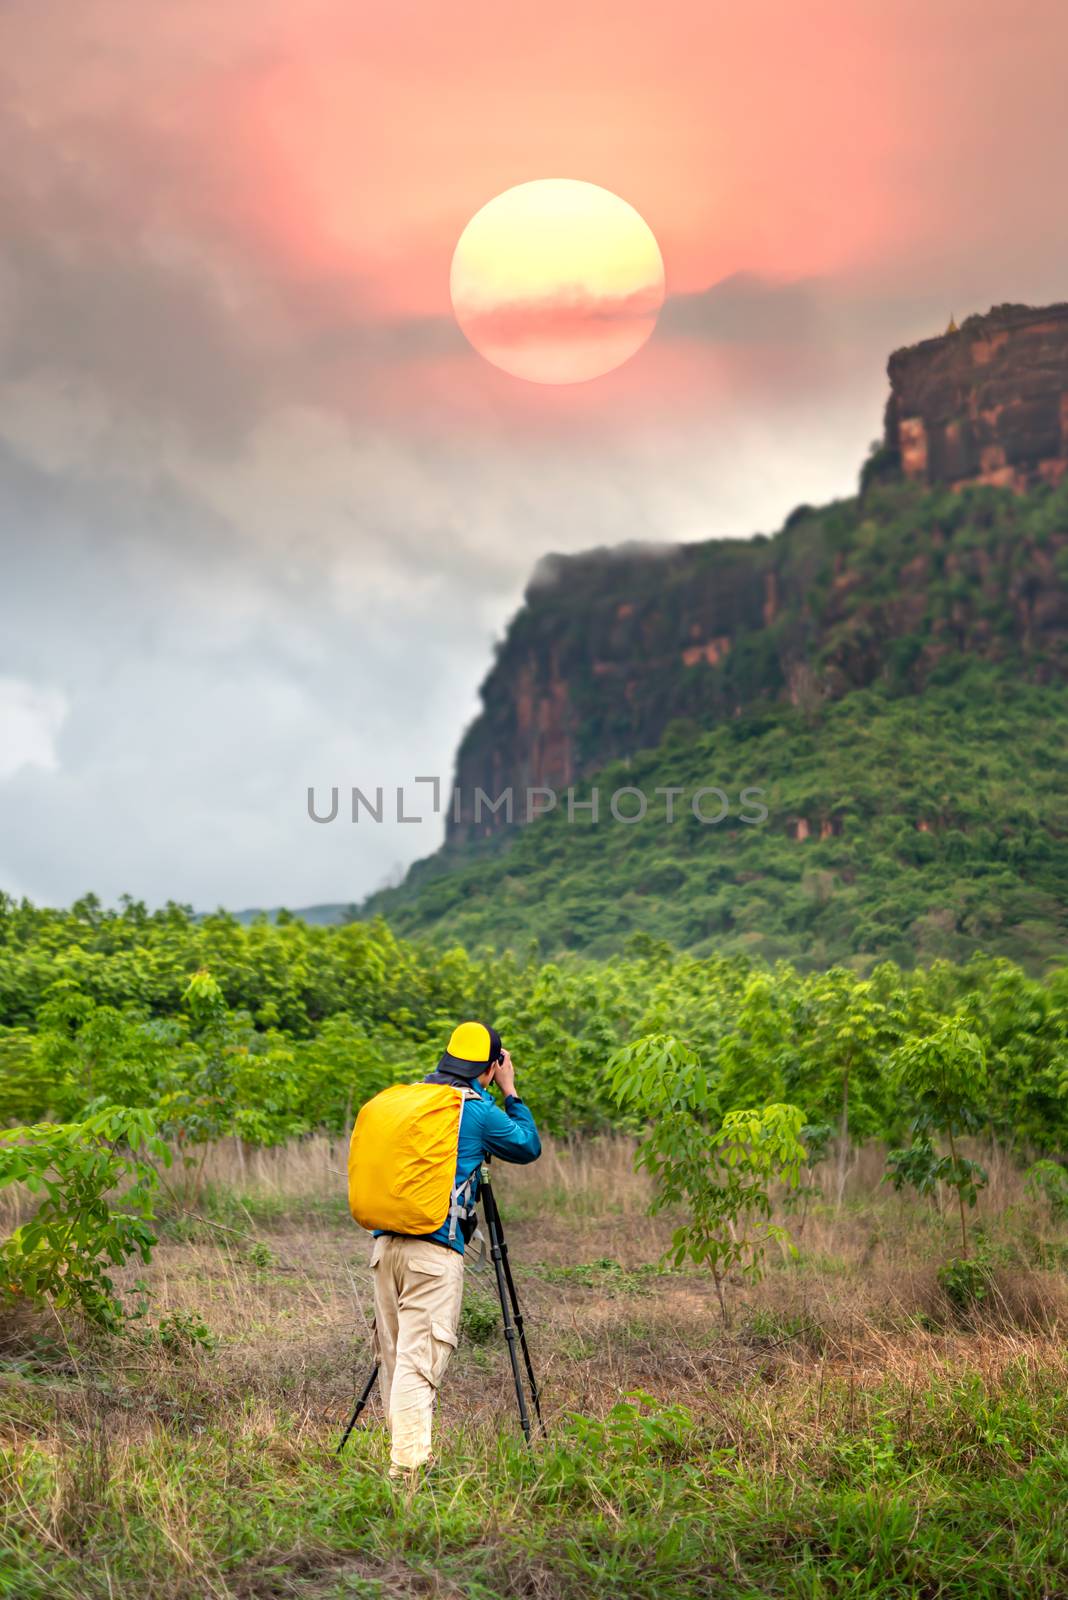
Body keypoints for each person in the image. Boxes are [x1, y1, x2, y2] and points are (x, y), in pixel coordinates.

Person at [370, 1021, 541, 1478]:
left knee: (396, 1359)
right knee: (418, 1366)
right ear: (489, 1066)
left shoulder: (412, 1101)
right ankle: (406, 1473)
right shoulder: (478, 1111)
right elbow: (527, 1147)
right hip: (434, 1253)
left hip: (384, 1247)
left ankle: (405, 1457)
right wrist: (512, 1091)